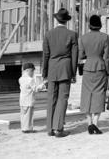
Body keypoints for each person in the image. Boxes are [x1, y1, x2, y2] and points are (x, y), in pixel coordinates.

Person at [42, 8, 78, 138]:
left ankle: (49, 129)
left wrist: (44, 73)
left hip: (52, 68)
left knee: (51, 98)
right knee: (63, 98)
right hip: (65, 69)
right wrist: (73, 74)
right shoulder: (72, 34)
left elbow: (45, 55)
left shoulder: (48, 34)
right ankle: (58, 128)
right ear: (66, 21)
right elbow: (74, 56)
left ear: (56, 19)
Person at [79, 14, 109, 134]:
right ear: (100, 26)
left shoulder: (83, 38)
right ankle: (95, 124)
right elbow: (107, 57)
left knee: (87, 95)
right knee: (99, 95)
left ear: (89, 25)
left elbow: (81, 56)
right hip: (100, 68)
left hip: (88, 68)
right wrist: (107, 71)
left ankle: (89, 123)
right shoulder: (105, 37)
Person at [19, 63, 45, 133]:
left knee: (23, 115)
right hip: (29, 100)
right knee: (29, 116)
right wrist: (43, 84)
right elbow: (35, 89)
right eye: (32, 71)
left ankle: (23, 128)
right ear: (28, 70)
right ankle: (28, 129)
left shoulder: (20, 79)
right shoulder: (30, 80)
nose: (33, 73)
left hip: (22, 101)